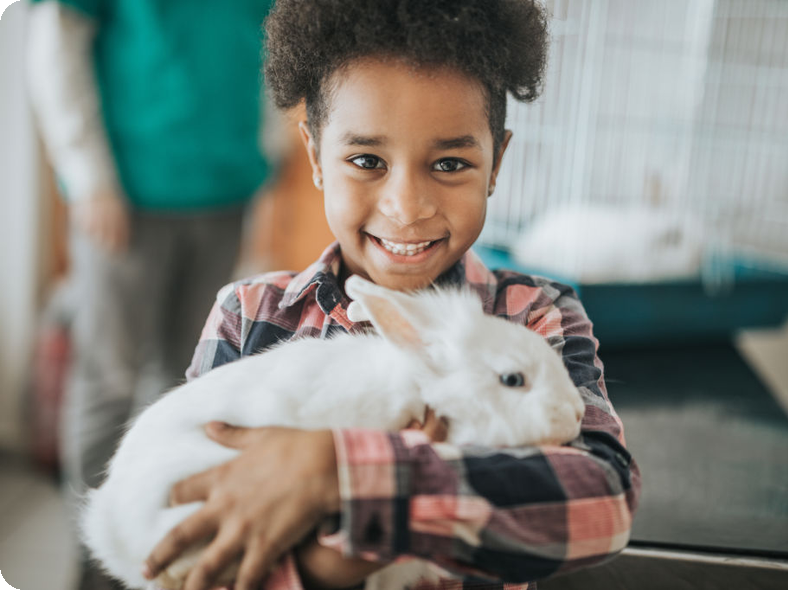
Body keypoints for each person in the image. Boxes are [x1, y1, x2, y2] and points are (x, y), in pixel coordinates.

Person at [141, 1, 642, 589]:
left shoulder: (535, 314)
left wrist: (342, 473)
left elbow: (602, 504)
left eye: (449, 163)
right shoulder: (249, 316)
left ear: (496, 164)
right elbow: (197, 528)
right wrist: (334, 563)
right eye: (366, 160)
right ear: (315, 156)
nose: (406, 207)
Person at [25, 1, 281, 588]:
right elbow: (56, 38)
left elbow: (266, 40)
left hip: (227, 186)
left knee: (187, 384)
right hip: (127, 193)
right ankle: (96, 560)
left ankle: (153, 550)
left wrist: (267, 152)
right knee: (109, 380)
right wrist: (88, 177)